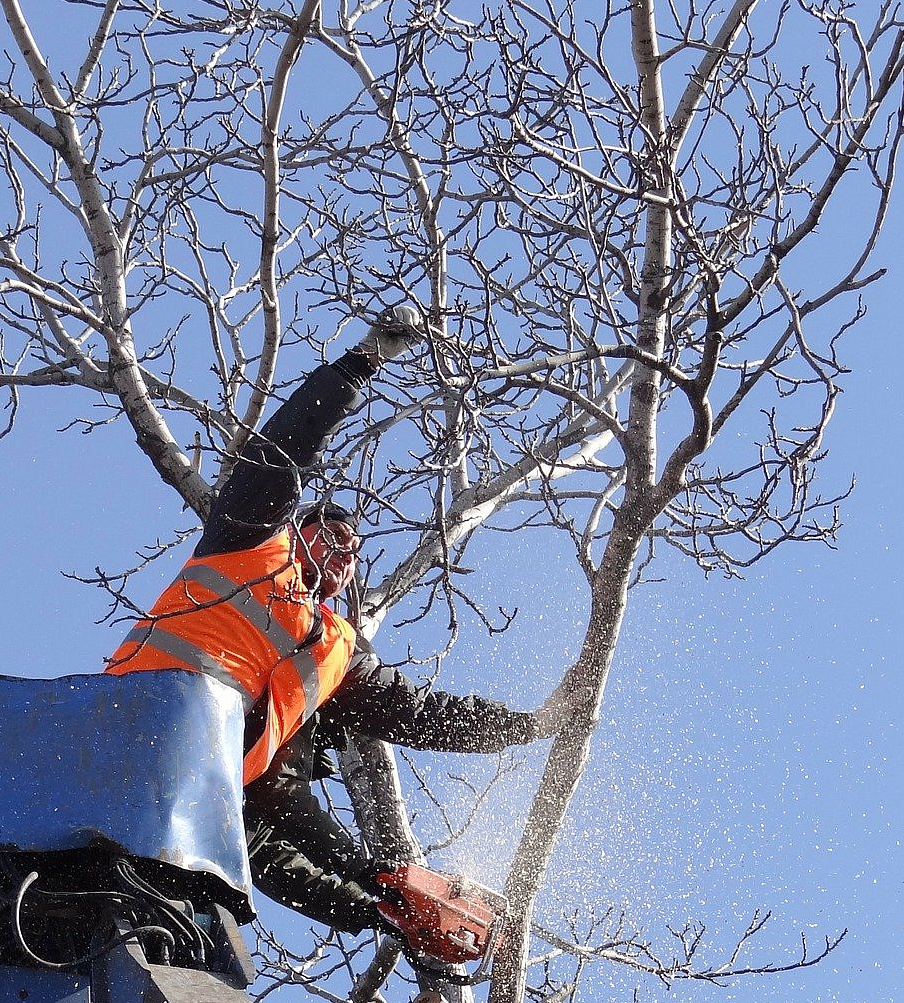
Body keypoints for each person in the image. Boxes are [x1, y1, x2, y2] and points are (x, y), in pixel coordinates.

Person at [106, 307, 580, 936]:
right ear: (297, 529)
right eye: (331, 535)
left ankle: (400, 904)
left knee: (325, 856)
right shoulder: (247, 545)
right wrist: (361, 363)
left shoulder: (330, 655)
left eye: (355, 552)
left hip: (190, 792)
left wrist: (531, 726)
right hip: (125, 728)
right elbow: (283, 450)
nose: (343, 554)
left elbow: (422, 715)